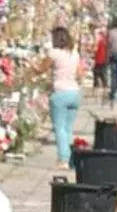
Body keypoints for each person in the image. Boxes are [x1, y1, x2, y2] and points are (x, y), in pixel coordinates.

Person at [43, 26, 82, 169]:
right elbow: (80, 74)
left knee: (59, 128)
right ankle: (70, 158)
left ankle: (63, 159)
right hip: (74, 93)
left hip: (60, 93)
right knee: (68, 128)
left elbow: (41, 68)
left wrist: (31, 65)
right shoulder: (74, 53)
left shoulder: (54, 53)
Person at [93, 23, 109, 101]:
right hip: (104, 60)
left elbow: (95, 49)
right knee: (103, 76)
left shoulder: (100, 39)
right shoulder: (106, 39)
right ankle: (105, 93)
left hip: (99, 59)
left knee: (96, 75)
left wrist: (92, 50)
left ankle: (95, 93)